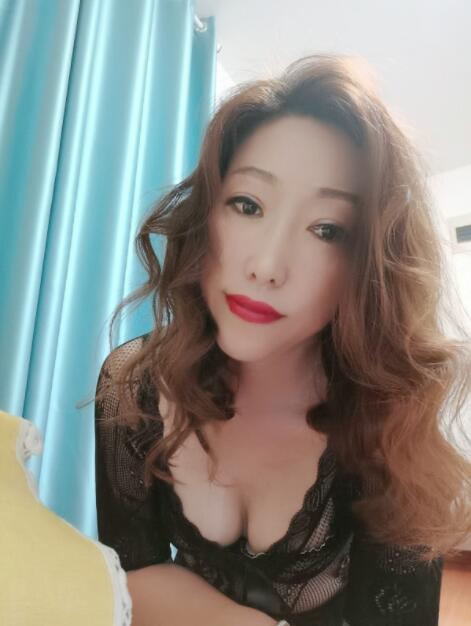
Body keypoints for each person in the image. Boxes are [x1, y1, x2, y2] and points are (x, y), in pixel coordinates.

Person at [93, 53, 471, 626]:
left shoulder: (391, 426)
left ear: (369, 267)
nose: (267, 266)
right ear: (206, 216)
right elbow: (129, 571)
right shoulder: (135, 383)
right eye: (248, 205)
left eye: (326, 229)